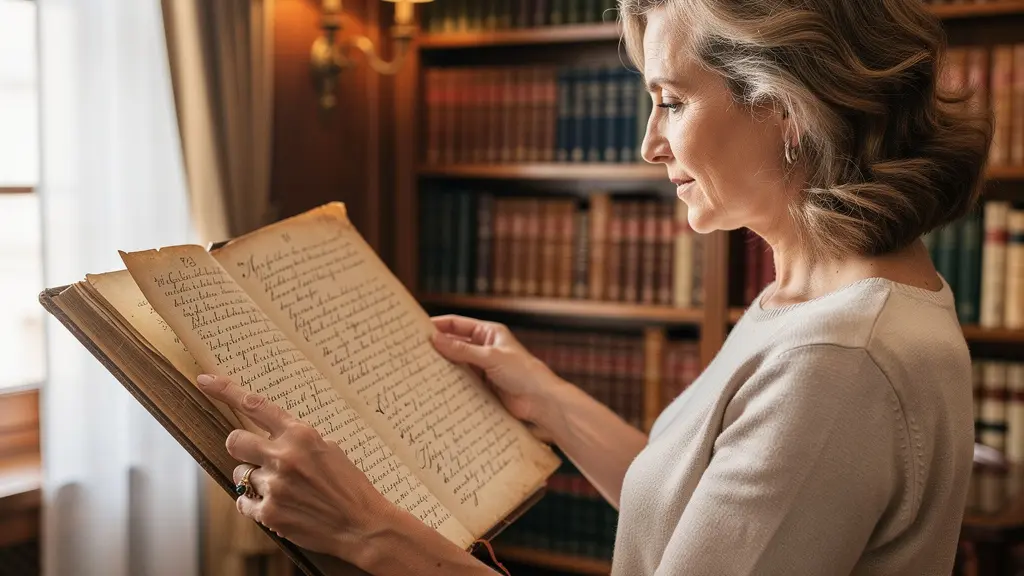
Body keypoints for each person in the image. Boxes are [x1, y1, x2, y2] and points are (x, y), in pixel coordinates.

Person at [194, 0, 991, 573]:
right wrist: (545, 396)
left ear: (786, 108)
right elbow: (697, 513)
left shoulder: (838, 359)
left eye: (671, 103)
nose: (649, 145)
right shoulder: (813, 301)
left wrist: (370, 534)